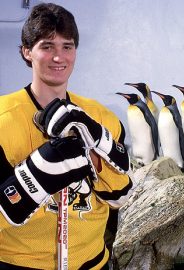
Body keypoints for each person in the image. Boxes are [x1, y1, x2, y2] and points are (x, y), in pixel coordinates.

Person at [0, 3, 132, 269]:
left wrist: (95, 153)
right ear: (27, 52)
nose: (58, 57)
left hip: (93, 263)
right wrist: (35, 176)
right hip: (20, 263)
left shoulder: (102, 117)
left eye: (67, 46)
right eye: (47, 46)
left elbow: (120, 197)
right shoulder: (3, 120)